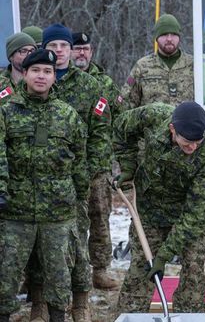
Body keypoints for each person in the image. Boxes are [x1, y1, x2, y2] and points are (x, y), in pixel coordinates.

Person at [27, 23, 112, 321]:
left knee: (76, 241)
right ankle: (38, 303)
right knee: (41, 245)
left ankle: (80, 303)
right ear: (45, 49)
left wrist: (92, 171)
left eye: (64, 46)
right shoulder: (38, 81)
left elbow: (102, 131)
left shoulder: (90, 86)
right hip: (38, 182)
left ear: (71, 49)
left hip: (77, 179)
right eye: (53, 46)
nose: (60, 51)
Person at [0, 49, 88, 322]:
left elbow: (80, 160)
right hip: (16, 211)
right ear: (24, 74)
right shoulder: (6, 112)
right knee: (6, 275)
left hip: (58, 213)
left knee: (59, 277)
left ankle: (58, 317)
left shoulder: (68, 115)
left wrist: (79, 198)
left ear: (54, 77)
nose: (41, 76)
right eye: (36, 70)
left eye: (47, 72)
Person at [115, 101, 205, 312]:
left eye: (197, 142)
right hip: (149, 207)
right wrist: (128, 166)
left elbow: (197, 214)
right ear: (173, 129)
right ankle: (131, 315)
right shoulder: (154, 116)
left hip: (187, 214)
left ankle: (189, 315)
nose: (192, 147)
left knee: (193, 271)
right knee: (140, 267)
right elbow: (121, 127)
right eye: (187, 142)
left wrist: (164, 255)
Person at [71, 31, 123, 290]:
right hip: (69, 167)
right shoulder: (58, 80)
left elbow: (120, 115)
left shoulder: (103, 82)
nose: (82, 53)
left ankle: (100, 270)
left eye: (86, 49)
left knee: (100, 218)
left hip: (99, 167)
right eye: (77, 48)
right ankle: (71, 272)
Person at [121, 14, 194, 108]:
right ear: (156, 37)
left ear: (179, 37)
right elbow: (126, 105)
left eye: (173, 34)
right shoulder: (142, 66)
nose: (169, 39)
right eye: (164, 34)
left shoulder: (193, 65)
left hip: (185, 122)